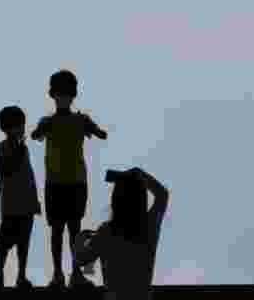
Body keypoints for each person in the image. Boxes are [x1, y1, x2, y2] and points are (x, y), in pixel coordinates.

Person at [31, 69, 108, 290]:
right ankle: (60, 273)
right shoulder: (60, 121)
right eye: (60, 93)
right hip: (62, 182)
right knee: (61, 230)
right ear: (54, 95)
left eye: (66, 93)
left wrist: (95, 128)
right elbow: (36, 135)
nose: (63, 97)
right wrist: (94, 128)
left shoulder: (71, 121)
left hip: (71, 182)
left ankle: (71, 274)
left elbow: (36, 136)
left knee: (71, 229)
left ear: (71, 95)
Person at [74, 168, 170, 300]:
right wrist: (139, 173)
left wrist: (79, 240)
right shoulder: (148, 228)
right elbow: (162, 195)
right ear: (141, 199)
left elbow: (81, 260)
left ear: (115, 200)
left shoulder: (106, 232)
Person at [0, 105, 41, 289]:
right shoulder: (3, 148)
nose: (22, 129)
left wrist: (34, 200)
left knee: (23, 243)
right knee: (4, 243)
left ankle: (21, 275)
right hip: (11, 204)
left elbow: (30, 176)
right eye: (19, 125)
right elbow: (6, 170)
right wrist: (18, 152)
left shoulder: (23, 148)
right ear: (7, 128)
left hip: (25, 204)